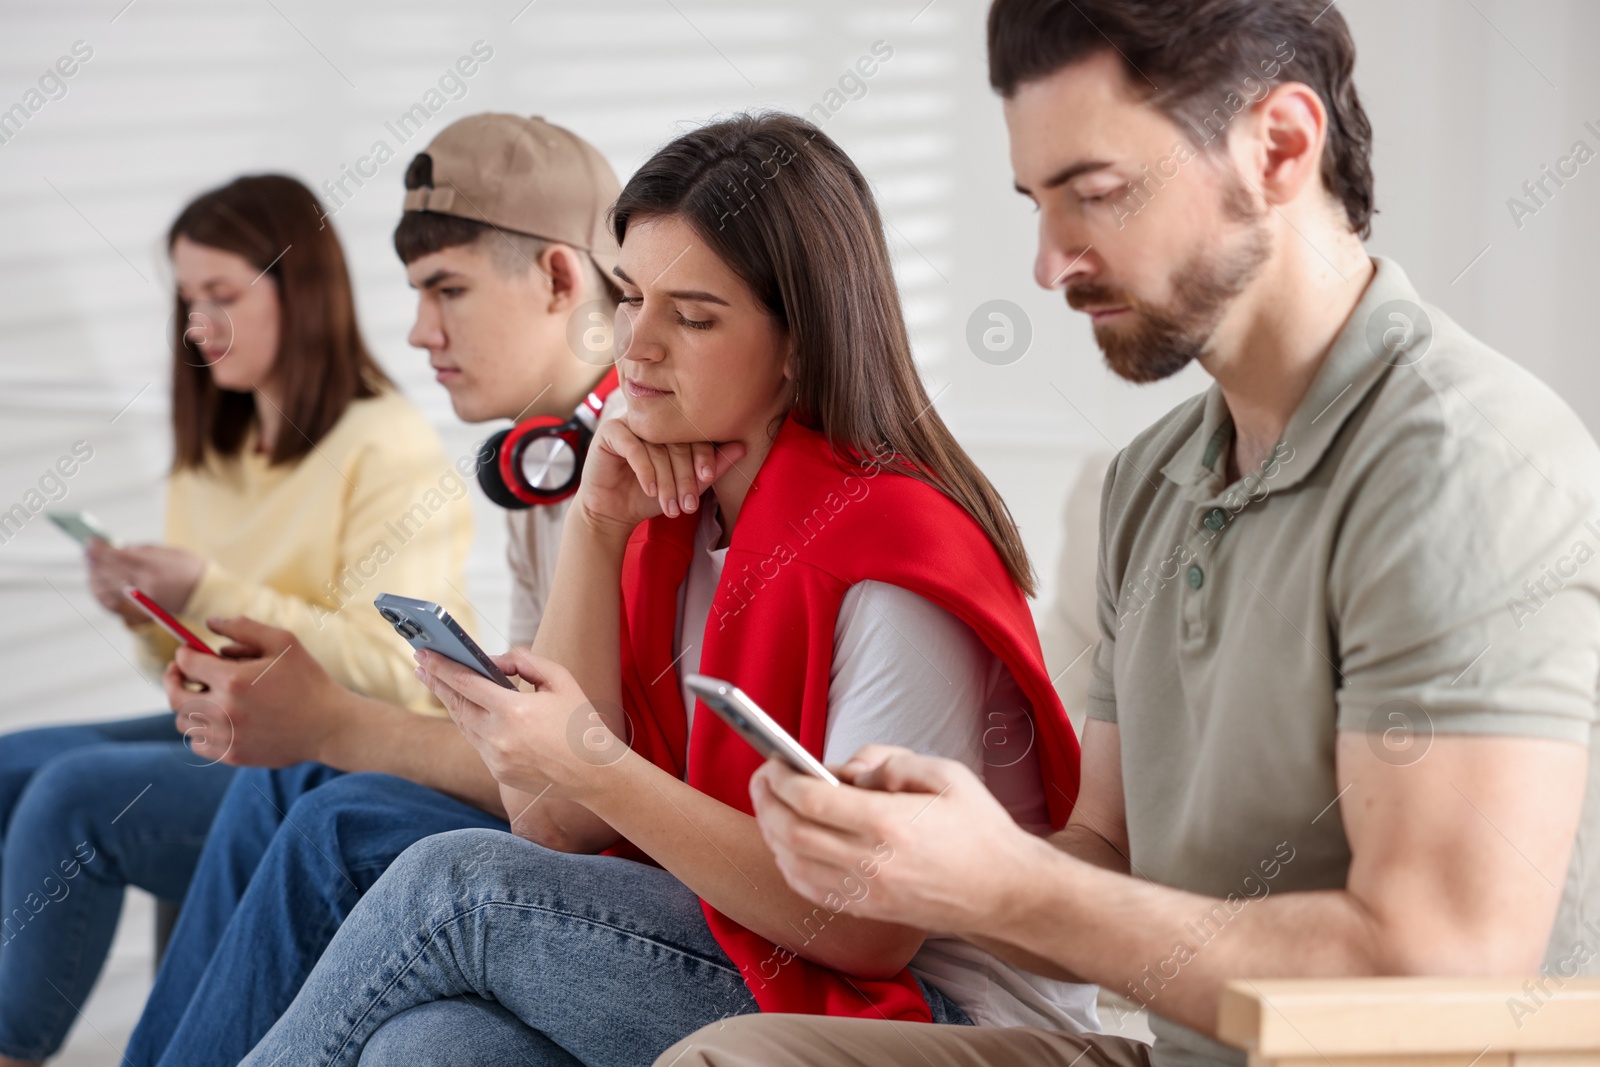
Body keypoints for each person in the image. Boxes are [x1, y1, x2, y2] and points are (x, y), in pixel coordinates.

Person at [658, 1, 1600, 1066]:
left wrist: (1008, 882)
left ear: (1279, 147)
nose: (1050, 263)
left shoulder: (1467, 466)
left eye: (1094, 195)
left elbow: (1440, 967)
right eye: (1036, 204)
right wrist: (914, 857)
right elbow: (1101, 849)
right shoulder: (1150, 480)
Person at [237, 111, 1095, 1067]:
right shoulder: (666, 517)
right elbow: (556, 823)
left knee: (453, 884)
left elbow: (860, 926)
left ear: (800, 346)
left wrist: (593, 758)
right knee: (430, 1044)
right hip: (745, 947)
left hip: (934, 1015)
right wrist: (598, 534)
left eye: (691, 316)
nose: (633, 346)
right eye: (630, 296)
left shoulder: (895, 553)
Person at [125, 115, 627, 1067]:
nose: (417, 331)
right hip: (558, 819)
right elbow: (527, 748)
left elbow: (572, 784)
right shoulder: (534, 470)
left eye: (448, 290)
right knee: (292, 782)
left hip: (609, 850)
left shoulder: (635, 473)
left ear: (562, 279)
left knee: (330, 813)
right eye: (415, 293)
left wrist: (335, 720)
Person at [0, 174, 472, 1067]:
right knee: (13, 765)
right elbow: (200, 667)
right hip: (237, 724)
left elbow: (389, 665)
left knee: (70, 796)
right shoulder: (212, 448)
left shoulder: (384, 443)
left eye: (221, 296)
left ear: (301, 293)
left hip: (345, 743)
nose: (196, 324)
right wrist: (151, 613)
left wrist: (206, 586)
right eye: (187, 300)